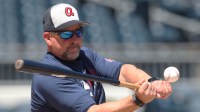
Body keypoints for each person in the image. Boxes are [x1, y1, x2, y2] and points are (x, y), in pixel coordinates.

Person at [31, 3, 172, 112]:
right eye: (66, 34)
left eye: (78, 32)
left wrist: (151, 82)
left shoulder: (86, 55)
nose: (74, 40)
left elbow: (123, 71)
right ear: (48, 38)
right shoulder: (47, 76)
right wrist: (137, 100)